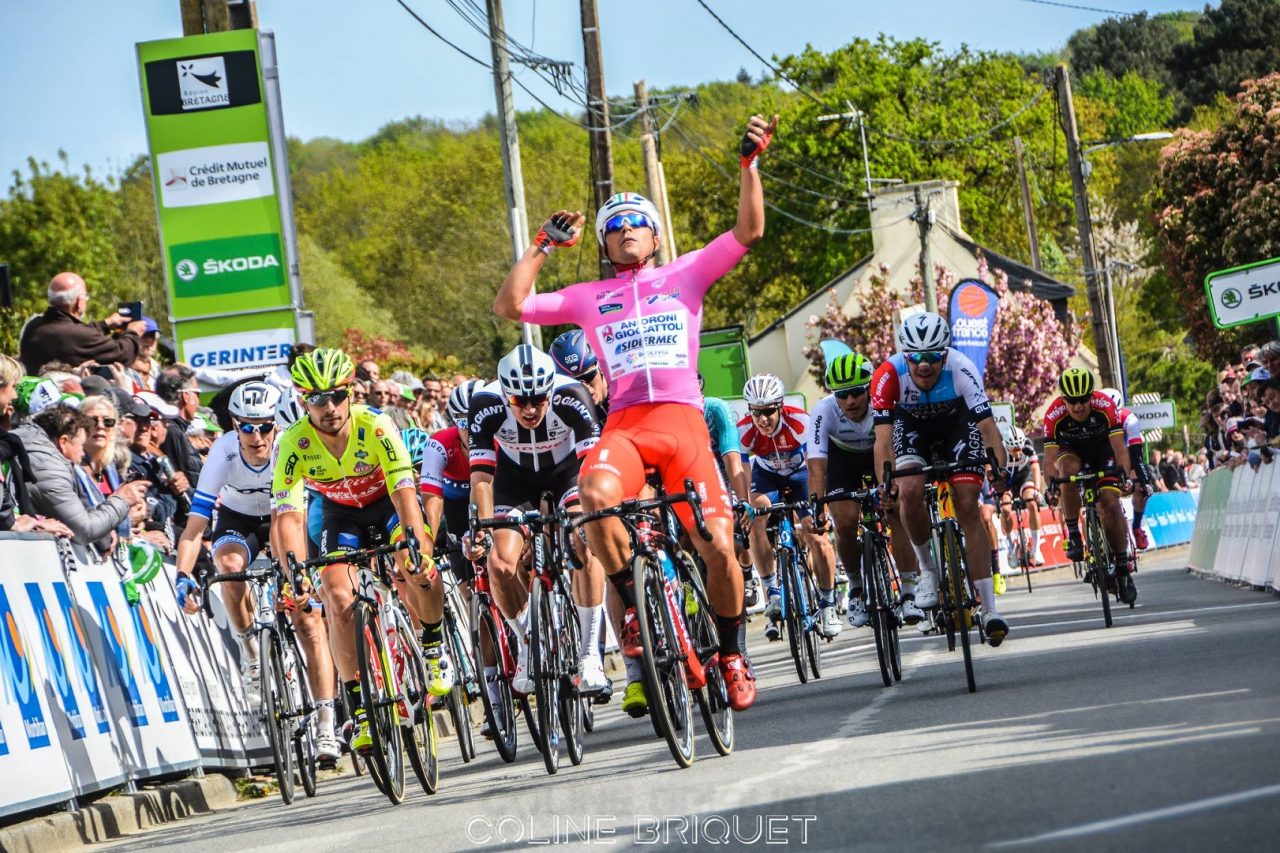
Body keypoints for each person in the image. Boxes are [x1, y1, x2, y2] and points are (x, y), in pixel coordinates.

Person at [492, 114, 779, 712]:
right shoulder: (588, 298)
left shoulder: (687, 273)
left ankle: (730, 652)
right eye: (613, 227)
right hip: (625, 424)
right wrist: (543, 245)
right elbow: (510, 302)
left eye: (636, 224)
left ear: (654, 237)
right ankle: (631, 604)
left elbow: (748, 232)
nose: (625, 231)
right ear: (602, 244)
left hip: (682, 424)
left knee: (720, 549)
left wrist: (749, 166)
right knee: (591, 495)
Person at [270, 348, 450, 755]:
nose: (328, 407)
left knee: (414, 564)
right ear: (303, 401)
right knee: (335, 596)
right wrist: (292, 573)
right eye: (316, 399)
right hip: (340, 514)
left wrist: (416, 544)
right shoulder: (293, 444)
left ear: (350, 393)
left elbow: (405, 491)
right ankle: (361, 706)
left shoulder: (377, 425)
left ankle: (434, 643)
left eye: (336, 396)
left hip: (386, 502)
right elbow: (290, 519)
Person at [465, 345, 609, 694]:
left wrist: (589, 520)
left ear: (549, 391)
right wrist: (481, 531)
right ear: (504, 394)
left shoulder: (572, 395)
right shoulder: (485, 405)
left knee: (584, 541)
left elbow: (592, 468)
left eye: (538, 400)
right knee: (498, 564)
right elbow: (482, 479)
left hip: (569, 474)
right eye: (519, 401)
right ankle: (529, 643)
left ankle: (590, 655)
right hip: (514, 482)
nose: (530, 409)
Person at [872, 311, 1011, 645]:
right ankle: (927, 571)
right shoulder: (888, 374)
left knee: (967, 505)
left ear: (944, 354)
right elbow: (883, 441)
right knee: (908, 488)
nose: (924, 365)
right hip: (911, 427)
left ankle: (989, 610)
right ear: (904, 356)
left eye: (933, 356)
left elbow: (989, 429)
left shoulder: (962, 368)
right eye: (915, 357)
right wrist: (884, 485)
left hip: (956, 427)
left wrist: (999, 469)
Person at [808, 353, 923, 627]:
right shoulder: (824, 410)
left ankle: (909, 591)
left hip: (880, 453)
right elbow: (816, 467)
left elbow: (891, 448)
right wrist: (817, 508)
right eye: (842, 394)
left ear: (869, 387)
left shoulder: (883, 402)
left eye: (858, 392)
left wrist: (890, 487)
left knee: (895, 510)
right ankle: (857, 587)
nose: (850, 401)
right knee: (845, 523)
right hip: (842, 459)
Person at [737, 373, 841, 640]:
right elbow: (743, 473)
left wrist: (821, 508)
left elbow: (817, 466)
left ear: (780, 406)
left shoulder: (800, 422)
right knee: (755, 517)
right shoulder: (744, 429)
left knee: (816, 534)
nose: (762, 419)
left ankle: (828, 604)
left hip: (801, 476)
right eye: (756, 412)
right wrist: (747, 506)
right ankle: (772, 589)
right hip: (766, 477)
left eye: (769, 411)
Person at [1042, 368, 1140, 605]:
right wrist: (1052, 485)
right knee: (1066, 473)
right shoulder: (1053, 414)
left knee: (1110, 503)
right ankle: (1074, 533)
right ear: (1063, 399)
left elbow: (1119, 448)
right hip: (1072, 451)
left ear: (1091, 395)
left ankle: (1120, 563)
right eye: (1072, 401)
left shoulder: (1104, 405)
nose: (1078, 406)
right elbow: (1049, 461)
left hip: (1102, 452)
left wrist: (1125, 476)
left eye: (1083, 399)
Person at [14, 404, 150, 550]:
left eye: (108, 421)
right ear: (64, 442)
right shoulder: (48, 469)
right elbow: (85, 530)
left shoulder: (41, 454)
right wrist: (122, 499)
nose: (83, 453)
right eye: (81, 445)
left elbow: (83, 517)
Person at [18, 273, 147, 373]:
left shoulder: (33, 325)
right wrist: (133, 332)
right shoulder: (78, 335)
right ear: (79, 302)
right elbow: (123, 354)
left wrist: (105, 324)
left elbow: (73, 334)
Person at [1099, 388, 1153, 549]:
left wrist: (1144, 481)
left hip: (1127, 455)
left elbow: (1136, 456)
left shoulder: (1129, 419)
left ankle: (1136, 527)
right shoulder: (1095, 419)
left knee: (1140, 489)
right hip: (1103, 456)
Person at [997, 427, 1046, 569]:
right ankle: (1010, 547)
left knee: (1031, 503)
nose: (1018, 452)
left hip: (1024, 476)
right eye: (1014, 449)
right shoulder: (1000, 449)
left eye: (1019, 448)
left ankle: (1036, 549)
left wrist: (1037, 489)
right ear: (1007, 445)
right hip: (1007, 479)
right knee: (1005, 509)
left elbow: (1036, 468)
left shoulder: (1028, 444)